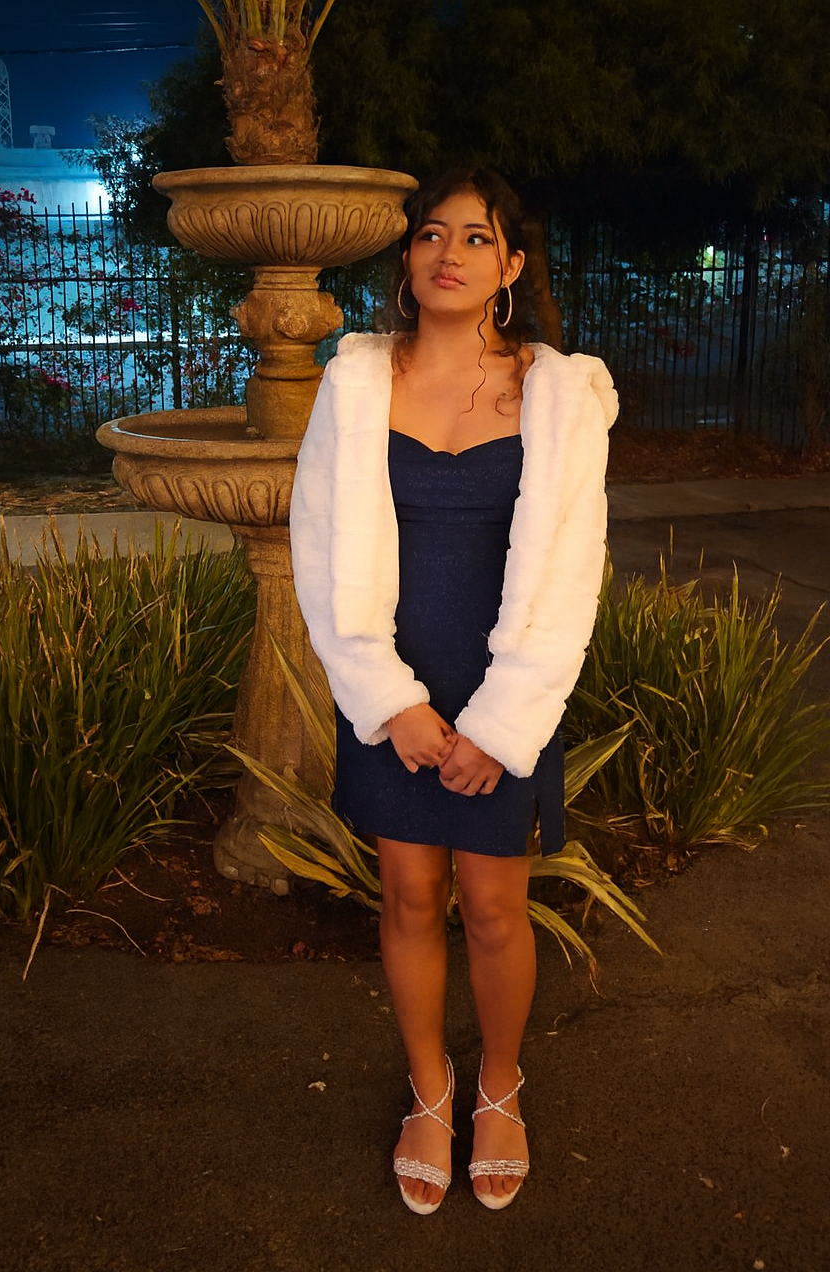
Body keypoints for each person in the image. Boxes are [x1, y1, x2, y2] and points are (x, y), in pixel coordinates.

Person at [289, 166, 617, 1215]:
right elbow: (317, 547)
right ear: (407, 256)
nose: (450, 254)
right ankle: (430, 1090)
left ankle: (500, 1085)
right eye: (432, 234)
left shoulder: (558, 394)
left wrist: (504, 721)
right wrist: (387, 698)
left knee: (492, 906)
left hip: (506, 683)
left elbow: (571, 568)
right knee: (408, 894)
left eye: (477, 238)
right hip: (393, 681)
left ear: (510, 265)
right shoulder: (354, 384)